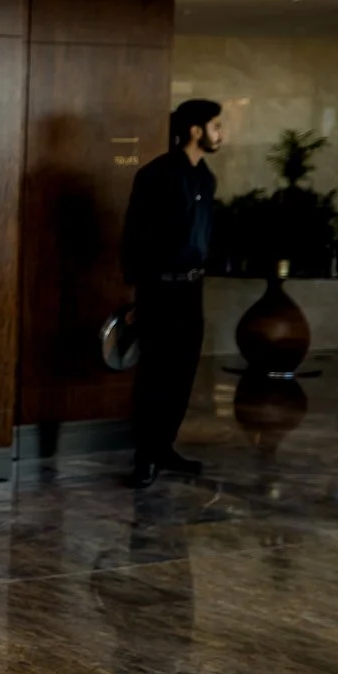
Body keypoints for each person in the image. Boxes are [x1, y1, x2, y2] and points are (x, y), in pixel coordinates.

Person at [121, 98, 223, 488]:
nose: (220, 134)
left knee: (183, 371)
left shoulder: (205, 178)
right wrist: (139, 294)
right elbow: (136, 236)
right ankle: (145, 456)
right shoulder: (157, 175)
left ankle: (165, 447)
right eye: (215, 126)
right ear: (196, 130)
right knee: (155, 375)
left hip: (191, 289)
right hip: (160, 289)